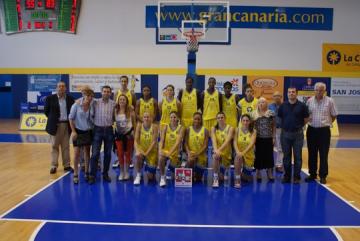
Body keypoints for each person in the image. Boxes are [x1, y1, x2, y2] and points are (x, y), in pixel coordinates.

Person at [305, 82, 337, 184]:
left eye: (321, 90)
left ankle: (323, 175)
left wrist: (327, 123)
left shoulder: (330, 101)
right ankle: (312, 174)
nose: (319, 92)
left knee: (323, 154)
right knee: (312, 153)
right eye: (317, 90)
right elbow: (306, 115)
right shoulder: (309, 101)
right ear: (314, 90)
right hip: (311, 130)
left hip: (324, 131)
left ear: (324, 91)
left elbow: (334, 115)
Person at [278, 87, 309, 184]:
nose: (291, 93)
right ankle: (287, 176)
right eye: (289, 92)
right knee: (286, 157)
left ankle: (296, 177)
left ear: (296, 94)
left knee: (298, 157)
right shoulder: (283, 106)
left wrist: (298, 126)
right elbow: (280, 118)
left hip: (298, 135)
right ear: (287, 94)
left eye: (293, 92)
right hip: (285, 134)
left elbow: (306, 119)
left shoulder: (302, 106)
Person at [44, 81, 74, 174]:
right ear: (56, 88)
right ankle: (53, 165)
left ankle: (67, 165)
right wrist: (53, 119)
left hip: (66, 125)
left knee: (66, 146)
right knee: (54, 146)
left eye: (63, 86)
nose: (61, 88)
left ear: (65, 88)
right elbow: (46, 111)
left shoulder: (70, 98)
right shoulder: (50, 98)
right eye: (59, 86)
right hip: (55, 125)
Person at [88, 85, 116, 184]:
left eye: (108, 91)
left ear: (111, 93)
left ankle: (105, 174)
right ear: (101, 92)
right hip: (97, 130)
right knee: (95, 154)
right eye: (104, 91)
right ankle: (92, 175)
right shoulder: (95, 102)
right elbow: (83, 99)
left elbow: (115, 116)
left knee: (108, 154)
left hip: (109, 130)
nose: (106, 93)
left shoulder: (114, 104)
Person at [68, 86, 94, 184]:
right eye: (87, 95)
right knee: (76, 154)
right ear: (83, 95)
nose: (89, 97)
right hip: (78, 132)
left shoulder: (92, 105)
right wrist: (73, 131)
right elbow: (70, 119)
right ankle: (75, 174)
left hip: (87, 131)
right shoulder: (76, 105)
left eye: (91, 96)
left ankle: (87, 172)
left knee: (87, 153)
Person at [113, 75, 137, 168]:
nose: (123, 83)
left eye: (125, 81)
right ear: (120, 82)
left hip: (129, 121)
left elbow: (134, 106)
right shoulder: (116, 93)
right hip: (119, 121)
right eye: (122, 81)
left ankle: (129, 159)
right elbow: (115, 106)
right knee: (118, 144)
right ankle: (119, 159)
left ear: (127, 82)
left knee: (129, 143)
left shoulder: (132, 93)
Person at [159, 111, 185, 187]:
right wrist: (160, 150)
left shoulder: (181, 128)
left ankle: (171, 166)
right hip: (166, 150)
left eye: (174, 117)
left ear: (177, 118)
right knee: (161, 158)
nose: (173, 119)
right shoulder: (165, 127)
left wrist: (169, 153)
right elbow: (162, 140)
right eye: (171, 117)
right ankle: (162, 177)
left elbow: (178, 142)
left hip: (176, 152)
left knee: (174, 178)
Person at [253, 97, 275, 182]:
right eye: (260, 102)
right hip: (257, 138)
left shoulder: (271, 113)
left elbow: (273, 126)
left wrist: (273, 137)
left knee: (269, 156)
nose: (261, 104)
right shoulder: (253, 113)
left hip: (268, 138)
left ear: (267, 104)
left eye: (263, 102)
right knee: (258, 156)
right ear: (258, 104)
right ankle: (258, 172)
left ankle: (269, 172)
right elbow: (251, 126)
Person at [133, 112, 159, 185]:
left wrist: (146, 154)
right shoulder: (139, 125)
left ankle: (148, 166)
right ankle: (138, 175)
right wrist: (138, 150)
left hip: (151, 151)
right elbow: (135, 140)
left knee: (150, 178)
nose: (146, 118)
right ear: (142, 118)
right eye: (145, 117)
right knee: (138, 155)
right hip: (142, 149)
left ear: (151, 118)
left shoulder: (155, 126)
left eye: (148, 117)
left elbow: (154, 142)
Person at [114, 94, 136, 181]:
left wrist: (134, 134)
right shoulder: (115, 110)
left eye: (124, 100)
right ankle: (121, 172)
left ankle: (127, 172)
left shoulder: (131, 111)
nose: (122, 101)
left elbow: (134, 124)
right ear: (118, 101)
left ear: (126, 101)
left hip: (129, 136)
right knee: (120, 154)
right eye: (120, 99)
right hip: (119, 136)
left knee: (128, 154)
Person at [211, 112, 234, 188]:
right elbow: (213, 140)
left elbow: (227, 141)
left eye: (222, 117)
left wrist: (218, 150)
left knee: (223, 178)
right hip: (218, 153)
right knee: (215, 156)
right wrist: (216, 150)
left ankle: (224, 171)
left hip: (227, 153)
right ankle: (215, 179)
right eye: (218, 118)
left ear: (225, 118)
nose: (220, 119)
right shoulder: (213, 128)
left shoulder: (230, 128)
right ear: (216, 119)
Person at [233, 114, 256, 188]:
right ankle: (237, 179)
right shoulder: (237, 130)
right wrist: (238, 152)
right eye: (244, 120)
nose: (245, 122)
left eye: (247, 121)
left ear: (249, 122)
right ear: (241, 121)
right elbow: (234, 142)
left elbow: (251, 144)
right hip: (239, 153)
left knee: (246, 178)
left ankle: (241, 174)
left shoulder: (253, 131)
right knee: (238, 157)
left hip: (249, 155)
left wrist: (243, 153)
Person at [184, 112, 209, 182]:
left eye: (199, 119)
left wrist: (197, 154)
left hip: (201, 157)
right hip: (190, 156)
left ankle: (197, 173)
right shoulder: (188, 129)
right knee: (190, 179)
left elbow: (205, 146)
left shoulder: (205, 130)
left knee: (198, 179)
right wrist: (188, 152)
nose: (197, 121)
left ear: (201, 120)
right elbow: (185, 143)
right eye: (195, 119)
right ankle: (190, 175)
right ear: (193, 119)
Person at [268, 91, 284, 173]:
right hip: (270, 130)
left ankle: (279, 165)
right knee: (269, 148)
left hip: (281, 129)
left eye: (278, 96)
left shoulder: (285, 106)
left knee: (280, 148)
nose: (276, 97)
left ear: (281, 97)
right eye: (275, 96)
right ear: (273, 97)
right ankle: (269, 165)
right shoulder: (270, 106)